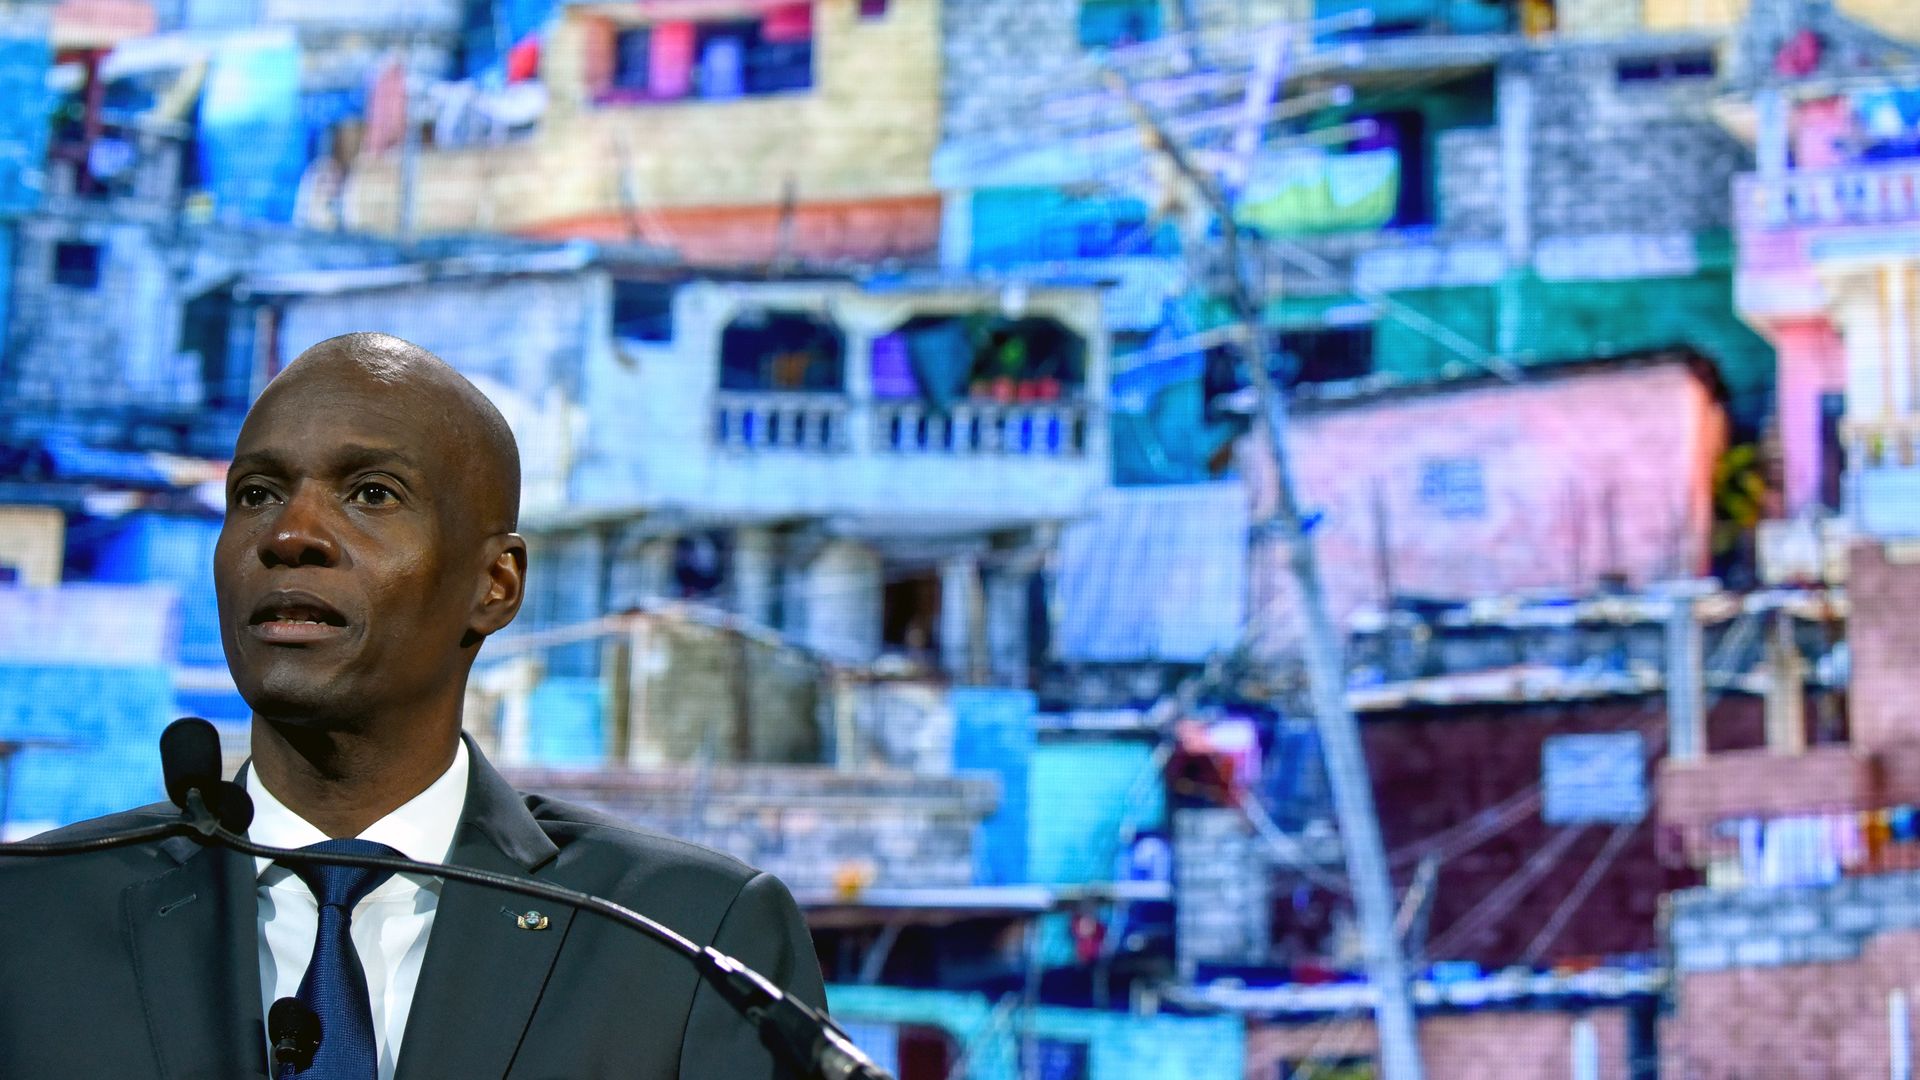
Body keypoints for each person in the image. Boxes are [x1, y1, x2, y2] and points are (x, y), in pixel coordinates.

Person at [0, 333, 827, 1078]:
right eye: (255, 493)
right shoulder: (32, 917)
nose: (291, 535)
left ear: (494, 585)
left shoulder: (685, 936)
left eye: (371, 494)